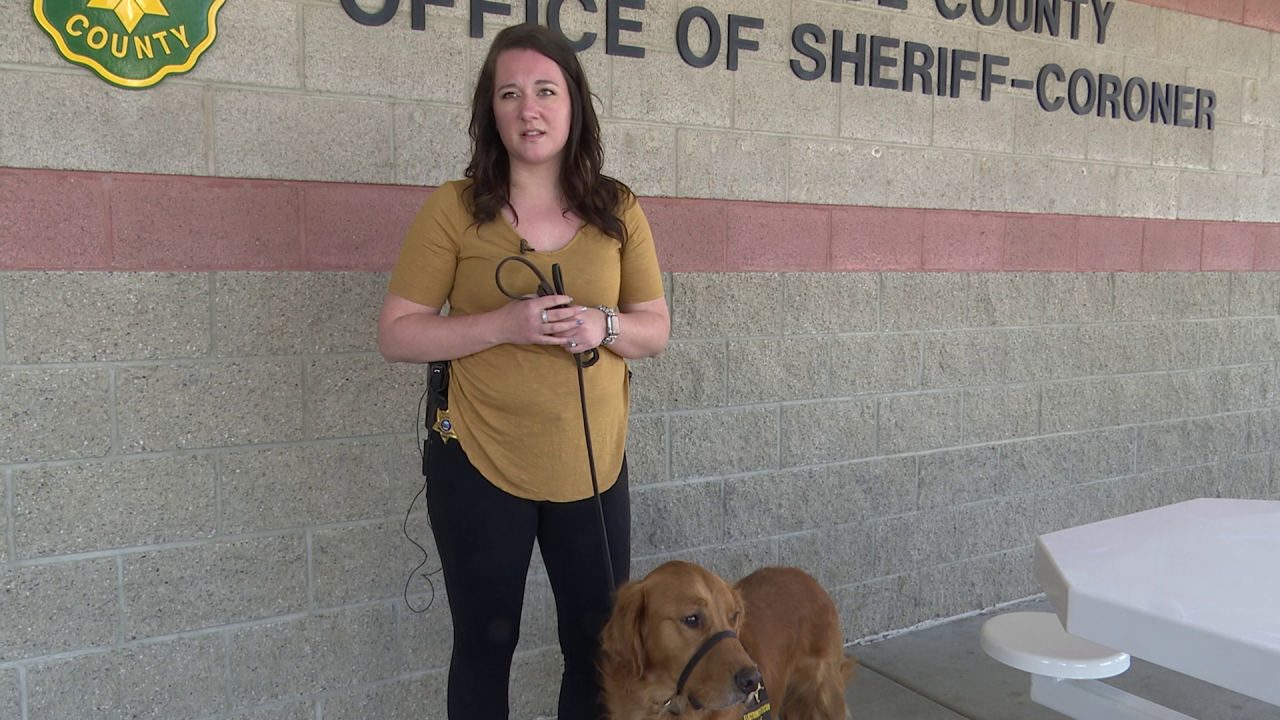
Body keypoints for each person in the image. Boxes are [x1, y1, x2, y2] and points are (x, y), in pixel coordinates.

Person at [376, 22, 670, 720]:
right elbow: (396, 333)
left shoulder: (618, 207)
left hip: (593, 466)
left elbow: (654, 329)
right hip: (478, 462)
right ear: (491, 112)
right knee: (484, 646)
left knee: (597, 647)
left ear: (574, 106)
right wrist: (504, 325)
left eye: (545, 90)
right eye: (510, 94)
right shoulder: (454, 208)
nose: (528, 108)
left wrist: (603, 324)